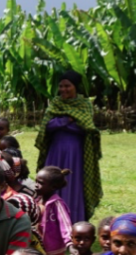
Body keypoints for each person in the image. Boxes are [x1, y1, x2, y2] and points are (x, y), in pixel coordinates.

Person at [35, 71, 103, 223]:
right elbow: (47, 126)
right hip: (55, 151)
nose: (64, 89)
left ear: (75, 87)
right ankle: (49, 220)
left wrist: (61, 123)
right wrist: (67, 121)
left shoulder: (84, 105)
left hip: (76, 153)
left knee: (72, 185)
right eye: (61, 86)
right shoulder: (55, 103)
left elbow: (86, 128)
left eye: (68, 86)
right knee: (50, 182)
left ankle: (72, 220)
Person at [35, 166, 73, 255]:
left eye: (41, 183)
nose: (36, 185)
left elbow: (65, 225)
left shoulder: (57, 204)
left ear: (53, 187)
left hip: (53, 252)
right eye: (36, 181)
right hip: (38, 249)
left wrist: (70, 243)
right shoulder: (36, 200)